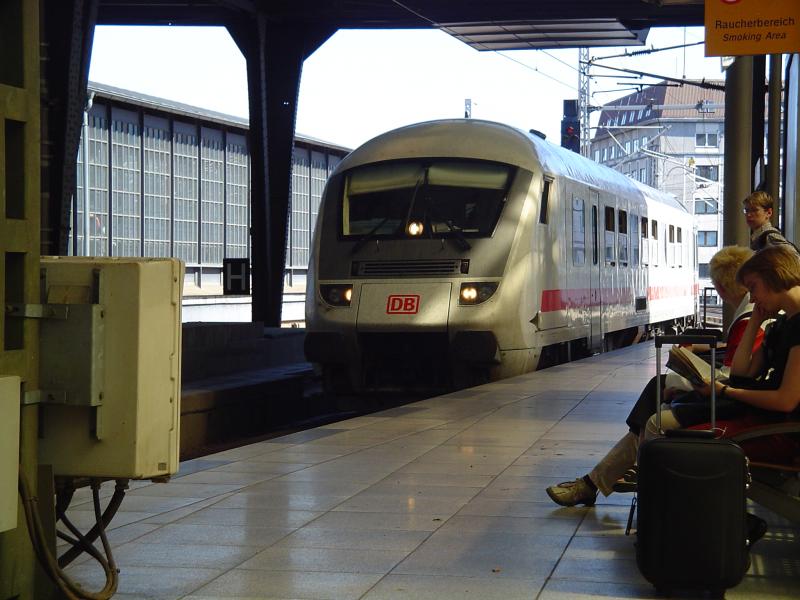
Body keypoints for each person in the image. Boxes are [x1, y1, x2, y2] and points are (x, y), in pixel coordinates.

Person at [546, 245, 764, 507]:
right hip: (736, 398)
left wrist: (690, 382)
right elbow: (738, 360)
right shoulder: (752, 316)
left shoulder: (750, 318)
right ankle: (593, 483)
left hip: (731, 404)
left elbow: (731, 376)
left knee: (655, 399)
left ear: (721, 287)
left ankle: (608, 480)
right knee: (652, 404)